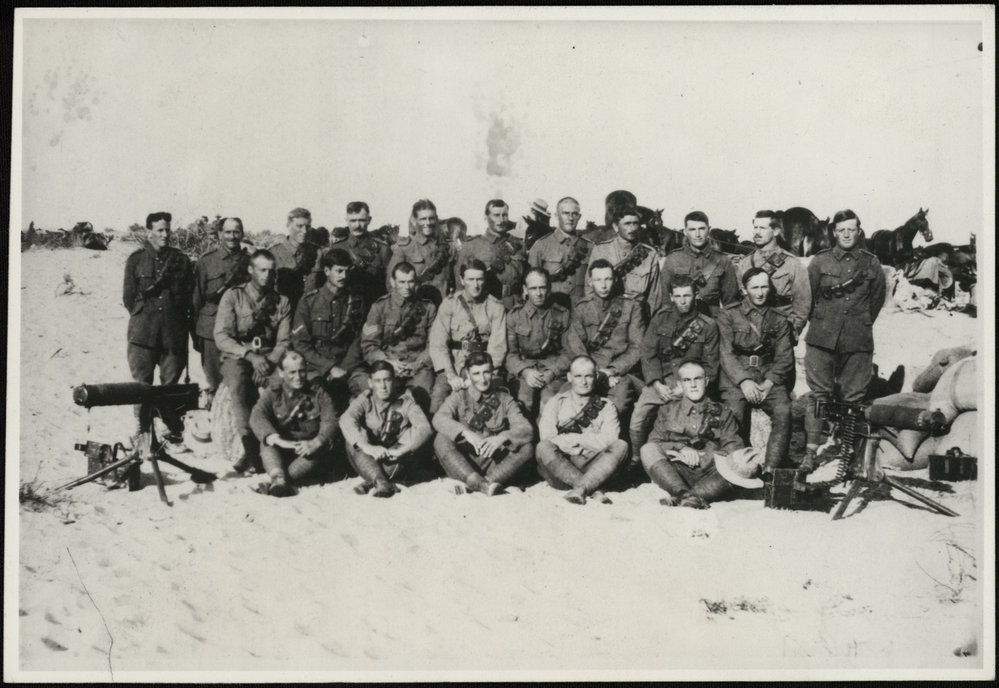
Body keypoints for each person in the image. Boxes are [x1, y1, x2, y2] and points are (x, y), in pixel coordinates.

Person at [801, 209, 886, 472]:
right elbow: (809, 296)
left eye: (852, 229)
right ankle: (811, 452)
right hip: (821, 338)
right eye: (842, 230)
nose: (847, 234)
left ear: (859, 231)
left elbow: (876, 300)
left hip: (857, 339)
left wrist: (857, 324)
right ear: (834, 233)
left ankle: (850, 452)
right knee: (819, 397)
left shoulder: (871, 263)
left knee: (854, 398)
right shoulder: (819, 261)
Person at [214, 249, 292, 472]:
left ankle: (279, 446)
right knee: (239, 385)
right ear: (251, 270)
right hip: (238, 355)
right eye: (262, 270)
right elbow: (222, 336)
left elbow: (284, 340)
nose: (267, 275)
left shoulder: (282, 302)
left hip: (269, 357)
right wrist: (250, 356)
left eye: (271, 270)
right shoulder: (233, 296)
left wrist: (269, 361)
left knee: (281, 387)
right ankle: (249, 448)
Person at [630, 275, 720, 454]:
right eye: (678, 296)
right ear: (671, 297)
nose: (683, 301)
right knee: (637, 417)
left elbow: (711, 366)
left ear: (696, 294)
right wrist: (656, 384)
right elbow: (648, 353)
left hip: (690, 383)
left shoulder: (708, 325)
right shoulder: (661, 318)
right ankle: (636, 459)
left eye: (687, 295)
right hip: (661, 380)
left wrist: (685, 388)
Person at [717, 268, 794, 478]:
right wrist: (744, 381)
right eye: (754, 287)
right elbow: (726, 353)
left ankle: (772, 468)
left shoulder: (778, 318)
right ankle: (740, 468)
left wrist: (769, 382)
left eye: (764, 287)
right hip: (737, 376)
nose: (760, 293)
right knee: (734, 412)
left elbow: (785, 356)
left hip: (768, 374)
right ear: (744, 289)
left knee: (783, 410)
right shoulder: (729, 314)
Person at [122, 211, 192, 437]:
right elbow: (129, 298)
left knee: (169, 386)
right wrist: (146, 318)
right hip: (143, 334)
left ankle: (167, 430)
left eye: (167, 230)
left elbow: (189, 295)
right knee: (141, 386)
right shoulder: (136, 260)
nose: (165, 235)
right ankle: (142, 429)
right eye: (160, 230)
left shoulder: (181, 261)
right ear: (148, 232)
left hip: (173, 333)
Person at [639, 361, 744, 509]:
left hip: (711, 474)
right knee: (647, 450)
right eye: (687, 380)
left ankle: (685, 498)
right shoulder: (667, 411)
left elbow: (733, 448)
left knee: (741, 463)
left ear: (706, 381)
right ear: (680, 385)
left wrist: (703, 458)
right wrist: (681, 448)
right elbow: (654, 443)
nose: (693, 384)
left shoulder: (723, 411)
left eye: (698, 379)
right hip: (677, 472)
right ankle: (685, 495)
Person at [432, 352, 535, 496]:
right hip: (464, 462)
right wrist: (464, 432)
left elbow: (526, 428)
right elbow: (438, 418)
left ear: (493, 372)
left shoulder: (505, 398)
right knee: (441, 439)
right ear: (467, 374)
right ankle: (481, 484)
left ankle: (481, 483)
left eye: (486, 372)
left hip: (494, 464)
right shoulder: (459, 396)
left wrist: (502, 437)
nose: (482, 379)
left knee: (527, 447)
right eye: (476, 374)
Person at [536, 355, 630, 505]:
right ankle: (588, 487)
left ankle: (580, 489)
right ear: (569, 377)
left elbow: (610, 440)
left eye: (589, 376)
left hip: (595, 467)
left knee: (621, 446)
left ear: (595, 376)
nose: (584, 382)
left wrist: (572, 439)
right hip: (562, 469)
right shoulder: (556, 402)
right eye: (578, 376)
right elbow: (547, 438)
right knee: (543, 448)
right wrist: (586, 444)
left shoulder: (606, 406)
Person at [250, 351, 342, 497]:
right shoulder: (274, 392)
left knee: (320, 451)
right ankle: (279, 478)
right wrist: (278, 440)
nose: (298, 377)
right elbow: (257, 416)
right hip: (283, 449)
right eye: (292, 372)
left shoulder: (318, 393)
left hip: (309, 450)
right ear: (281, 372)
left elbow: (331, 420)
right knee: (266, 441)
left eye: (301, 371)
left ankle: (279, 482)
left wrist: (317, 441)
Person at [339, 361, 434, 498]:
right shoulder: (365, 399)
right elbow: (346, 419)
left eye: (387, 380)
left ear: (394, 381)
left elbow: (424, 428)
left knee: (408, 441)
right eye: (378, 381)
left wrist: (402, 450)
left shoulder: (406, 402)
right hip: (367, 457)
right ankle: (382, 482)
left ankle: (375, 482)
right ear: (370, 383)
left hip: (394, 459)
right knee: (352, 440)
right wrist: (367, 447)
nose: (383, 386)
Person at [565, 259, 644, 417]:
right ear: (590, 281)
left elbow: (637, 347)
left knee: (617, 406)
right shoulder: (581, 308)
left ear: (614, 280)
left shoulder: (631, 307)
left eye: (607, 279)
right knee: (567, 405)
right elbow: (576, 346)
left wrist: (612, 370)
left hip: (620, 373)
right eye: (598, 280)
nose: (603, 285)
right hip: (589, 371)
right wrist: (596, 372)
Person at [427, 259, 507, 413]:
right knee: (439, 396)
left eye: (480, 279)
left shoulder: (495, 307)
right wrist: (451, 375)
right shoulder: (449, 304)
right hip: (454, 364)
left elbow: (498, 347)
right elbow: (438, 344)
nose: (476, 285)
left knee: (494, 403)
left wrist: (480, 375)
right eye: (471, 279)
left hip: (484, 367)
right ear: (462, 280)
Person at [291, 248, 369, 405]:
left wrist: (345, 368)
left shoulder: (357, 301)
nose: (344, 276)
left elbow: (360, 339)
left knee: (370, 390)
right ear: (327, 271)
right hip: (317, 367)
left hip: (350, 366)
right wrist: (329, 368)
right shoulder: (309, 302)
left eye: (347, 271)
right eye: (338, 271)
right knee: (317, 399)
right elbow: (300, 344)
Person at [361, 262, 438, 409]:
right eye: (402, 282)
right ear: (392, 282)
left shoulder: (428, 308)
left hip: (418, 367)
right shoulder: (379, 307)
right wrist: (388, 362)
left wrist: (418, 363)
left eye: (411, 281)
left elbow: (433, 344)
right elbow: (369, 345)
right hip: (388, 364)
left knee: (422, 398)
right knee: (380, 402)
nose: (407, 287)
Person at [191, 217, 250, 406]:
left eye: (236, 232)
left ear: (242, 234)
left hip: (241, 331)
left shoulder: (250, 262)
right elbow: (196, 300)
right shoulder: (207, 262)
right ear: (219, 234)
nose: (232, 236)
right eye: (228, 232)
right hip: (211, 331)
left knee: (240, 385)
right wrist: (197, 335)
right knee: (214, 384)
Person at [505, 268, 572, 418]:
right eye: (533, 288)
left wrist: (552, 372)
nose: (539, 293)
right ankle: (526, 440)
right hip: (525, 371)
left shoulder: (562, 314)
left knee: (549, 404)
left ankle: (546, 441)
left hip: (553, 370)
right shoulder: (515, 316)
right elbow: (510, 354)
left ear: (549, 288)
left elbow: (569, 352)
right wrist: (525, 371)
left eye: (542, 287)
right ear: (525, 289)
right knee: (523, 404)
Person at [735, 210, 811, 341]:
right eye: (755, 227)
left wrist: (791, 333)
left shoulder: (793, 264)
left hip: (780, 334)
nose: (757, 232)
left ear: (776, 231)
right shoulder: (745, 263)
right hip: (750, 334)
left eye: (762, 228)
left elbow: (803, 305)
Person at [660, 211, 740, 317]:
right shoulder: (673, 259)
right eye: (692, 230)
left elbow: (731, 304)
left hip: (714, 322)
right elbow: (665, 301)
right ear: (685, 231)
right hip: (681, 324)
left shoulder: (723, 260)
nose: (697, 235)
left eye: (702, 229)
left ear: (709, 230)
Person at [587, 205, 662, 317]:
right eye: (627, 224)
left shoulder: (649, 254)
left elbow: (654, 296)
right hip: (607, 318)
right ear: (616, 227)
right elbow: (589, 289)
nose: (632, 229)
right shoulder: (601, 251)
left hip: (638, 317)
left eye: (635, 223)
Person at [454, 199, 526, 308]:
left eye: (505, 215)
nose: (501, 220)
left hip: (515, 305)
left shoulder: (519, 245)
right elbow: (460, 286)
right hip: (484, 305)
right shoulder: (471, 246)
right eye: (496, 215)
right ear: (486, 217)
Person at [527, 196, 591, 308]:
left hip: (581, 312)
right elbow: (532, 285)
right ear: (557, 215)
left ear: (579, 217)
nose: (570, 218)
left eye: (574, 214)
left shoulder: (590, 247)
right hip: (552, 312)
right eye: (565, 213)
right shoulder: (541, 246)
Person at [387, 199, 453, 305]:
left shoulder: (447, 248)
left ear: (436, 219)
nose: (428, 223)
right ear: (414, 221)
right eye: (423, 219)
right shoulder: (404, 248)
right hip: (417, 311)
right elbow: (392, 286)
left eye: (431, 218)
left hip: (444, 309)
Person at [329, 201, 392, 305]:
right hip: (345, 308)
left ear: (369, 220)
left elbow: (391, 285)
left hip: (373, 307)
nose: (357, 225)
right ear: (346, 221)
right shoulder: (337, 247)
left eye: (362, 220)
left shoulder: (382, 249)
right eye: (353, 221)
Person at [269, 207, 324, 313]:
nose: (304, 231)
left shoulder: (317, 252)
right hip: (284, 312)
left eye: (308, 227)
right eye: (299, 226)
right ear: (288, 226)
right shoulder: (274, 253)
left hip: (309, 312)